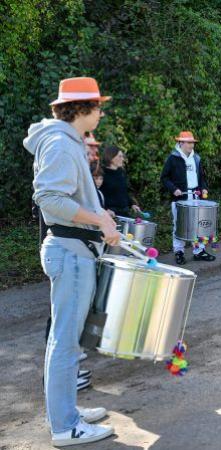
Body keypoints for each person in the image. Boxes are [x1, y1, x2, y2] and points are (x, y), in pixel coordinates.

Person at [25, 77, 117, 446]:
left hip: (74, 251)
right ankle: (65, 427)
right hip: (71, 253)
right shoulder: (61, 145)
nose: (101, 112)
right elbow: (49, 199)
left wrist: (98, 211)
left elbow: (71, 198)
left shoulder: (67, 141)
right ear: (80, 109)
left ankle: (67, 413)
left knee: (67, 342)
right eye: (97, 106)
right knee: (64, 343)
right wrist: (99, 220)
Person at [161, 130, 214, 264]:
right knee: (179, 225)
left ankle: (199, 251)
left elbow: (202, 177)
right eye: (189, 143)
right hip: (180, 198)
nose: (192, 145)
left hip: (196, 196)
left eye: (193, 143)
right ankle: (179, 252)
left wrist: (204, 188)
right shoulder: (173, 158)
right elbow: (164, 178)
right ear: (180, 143)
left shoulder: (196, 158)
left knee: (199, 224)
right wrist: (174, 189)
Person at [100, 146, 141, 217]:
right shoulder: (101, 174)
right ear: (111, 157)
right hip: (110, 215)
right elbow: (97, 195)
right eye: (120, 156)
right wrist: (104, 209)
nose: (122, 159)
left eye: (122, 156)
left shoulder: (121, 172)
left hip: (124, 214)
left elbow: (123, 192)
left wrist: (132, 204)